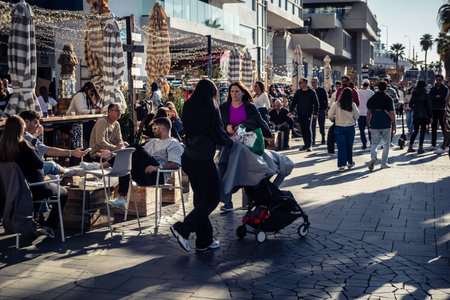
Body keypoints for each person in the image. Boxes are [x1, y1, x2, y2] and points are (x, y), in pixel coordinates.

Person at [170, 79, 233, 252]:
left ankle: (204, 240)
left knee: (200, 198)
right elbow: (218, 132)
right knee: (212, 198)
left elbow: (185, 129)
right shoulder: (211, 108)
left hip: (189, 157)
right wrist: (232, 142)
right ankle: (182, 228)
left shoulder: (189, 105)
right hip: (203, 158)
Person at [0, 115, 68, 239]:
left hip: (11, 190)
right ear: (21, 129)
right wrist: (34, 143)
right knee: (63, 192)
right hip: (33, 189)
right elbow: (39, 163)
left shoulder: (2, 148)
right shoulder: (24, 145)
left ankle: (35, 221)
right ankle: (49, 226)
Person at [107, 117, 184, 209]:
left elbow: (176, 165)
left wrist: (157, 168)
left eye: (155, 128)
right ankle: (122, 198)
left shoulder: (173, 143)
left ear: (162, 128)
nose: (153, 131)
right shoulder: (153, 142)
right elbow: (135, 153)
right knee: (128, 160)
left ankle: (104, 165)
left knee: (134, 147)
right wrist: (113, 155)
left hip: (157, 176)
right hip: (144, 175)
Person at [219, 81, 271, 211]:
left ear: (243, 92)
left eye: (237, 91)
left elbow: (257, 121)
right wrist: (227, 127)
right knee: (226, 170)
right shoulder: (224, 107)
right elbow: (219, 124)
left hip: (247, 143)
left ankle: (248, 202)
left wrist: (243, 125)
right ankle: (227, 202)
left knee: (247, 171)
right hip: (230, 143)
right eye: (232, 91)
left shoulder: (249, 107)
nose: (234, 94)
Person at [19, 110, 88, 173]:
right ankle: (71, 172)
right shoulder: (28, 137)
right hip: (28, 172)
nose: (38, 125)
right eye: (36, 122)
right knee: (51, 165)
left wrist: (35, 135)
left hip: (17, 172)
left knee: (52, 172)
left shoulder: (16, 134)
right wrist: (72, 152)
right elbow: (48, 151)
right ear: (26, 122)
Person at [366, 81, 396, 170]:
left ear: (377, 88)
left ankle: (374, 157)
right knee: (386, 145)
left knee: (374, 143)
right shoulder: (388, 98)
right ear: (386, 89)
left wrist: (367, 123)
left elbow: (368, 113)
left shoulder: (372, 98)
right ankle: (383, 163)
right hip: (386, 124)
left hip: (374, 124)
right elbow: (392, 113)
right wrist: (394, 124)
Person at [328, 88, 359, 171]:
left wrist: (334, 119)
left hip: (339, 127)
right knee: (349, 146)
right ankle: (350, 162)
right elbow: (357, 116)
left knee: (341, 147)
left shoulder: (336, 104)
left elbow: (330, 115)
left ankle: (342, 165)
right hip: (350, 127)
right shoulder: (352, 104)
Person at [290, 78, 319, 151]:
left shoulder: (312, 92)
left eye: (300, 83)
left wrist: (315, 113)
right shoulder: (298, 92)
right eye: (299, 83)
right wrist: (291, 111)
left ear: (305, 83)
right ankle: (305, 144)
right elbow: (293, 102)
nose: (299, 84)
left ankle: (309, 145)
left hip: (309, 113)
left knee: (308, 128)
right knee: (302, 129)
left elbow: (316, 103)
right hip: (300, 113)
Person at [408, 81, 433, 154]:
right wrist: (431, 116)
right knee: (422, 131)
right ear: (424, 86)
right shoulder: (426, 94)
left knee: (415, 131)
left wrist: (415, 108)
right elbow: (428, 106)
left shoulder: (414, 94)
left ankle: (410, 147)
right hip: (424, 115)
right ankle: (420, 148)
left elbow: (410, 105)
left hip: (416, 115)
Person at [429, 74, 448, 152]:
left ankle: (446, 144)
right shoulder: (432, 89)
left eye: (440, 79)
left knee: (444, 127)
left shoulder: (445, 88)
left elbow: (444, 98)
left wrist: (436, 97)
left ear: (442, 80)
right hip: (434, 109)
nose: (438, 81)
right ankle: (433, 144)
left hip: (442, 109)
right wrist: (437, 97)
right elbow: (430, 97)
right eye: (437, 79)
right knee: (433, 127)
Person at [357, 80, 374, 149]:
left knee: (361, 130)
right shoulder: (371, 92)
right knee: (370, 129)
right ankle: (371, 142)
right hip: (369, 113)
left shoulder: (358, 92)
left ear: (362, 85)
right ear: (368, 85)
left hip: (360, 113)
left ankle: (364, 143)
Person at [310, 77, 327, 145]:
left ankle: (323, 137)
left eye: (313, 82)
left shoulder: (322, 90)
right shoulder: (310, 91)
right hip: (313, 111)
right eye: (312, 82)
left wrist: (325, 109)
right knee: (313, 125)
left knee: (321, 125)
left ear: (317, 82)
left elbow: (325, 100)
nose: (312, 84)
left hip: (321, 110)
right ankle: (313, 139)